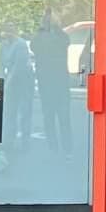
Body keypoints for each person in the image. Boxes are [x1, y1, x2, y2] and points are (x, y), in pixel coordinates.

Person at [30, 9, 73, 156]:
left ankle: (56, 148)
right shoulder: (60, 37)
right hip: (57, 83)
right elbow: (34, 46)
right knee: (60, 117)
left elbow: (34, 45)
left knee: (52, 117)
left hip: (51, 83)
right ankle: (64, 149)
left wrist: (45, 28)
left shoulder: (54, 38)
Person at [0, 23, 34, 147]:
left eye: (10, 31)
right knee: (9, 111)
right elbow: (1, 65)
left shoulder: (21, 44)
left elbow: (18, 67)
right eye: (6, 32)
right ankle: (8, 141)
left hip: (24, 79)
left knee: (24, 110)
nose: (8, 34)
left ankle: (25, 142)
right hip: (11, 78)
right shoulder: (3, 45)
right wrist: (1, 80)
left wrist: (7, 83)